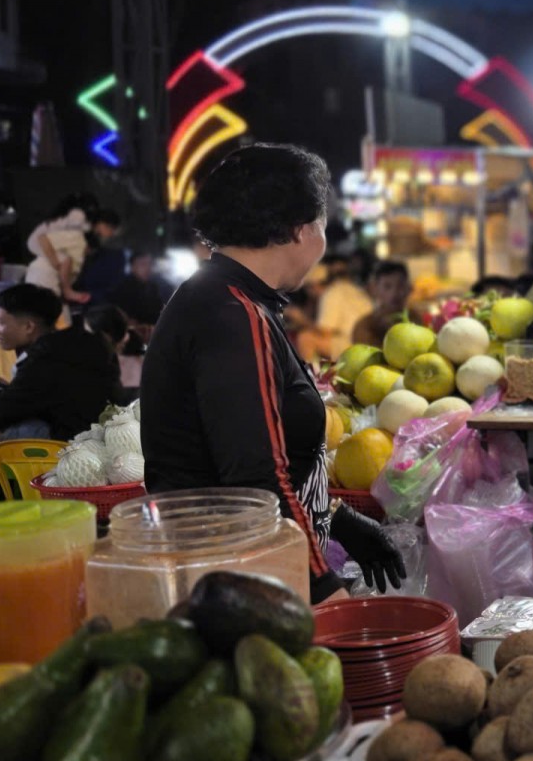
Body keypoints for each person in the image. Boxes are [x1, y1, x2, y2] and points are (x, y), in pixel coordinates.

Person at [141, 143, 405, 600]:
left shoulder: (227, 298)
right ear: (302, 230)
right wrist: (324, 591)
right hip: (237, 586)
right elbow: (257, 480)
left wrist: (337, 518)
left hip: (238, 569)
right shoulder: (233, 315)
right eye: (323, 224)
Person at [0, 283, 119, 447]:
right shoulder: (74, 345)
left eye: (0, 322)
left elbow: (5, 408)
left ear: (28, 327)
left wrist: (3, 397)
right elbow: (33, 397)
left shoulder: (46, 358)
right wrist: (6, 391)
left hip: (65, 444)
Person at [24, 193, 97, 306]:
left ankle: (66, 290)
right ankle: (68, 291)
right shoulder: (78, 214)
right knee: (66, 260)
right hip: (39, 242)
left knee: (63, 261)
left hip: (35, 243)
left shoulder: (62, 215)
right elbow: (82, 228)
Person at [350, 260, 412, 348]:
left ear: (409, 288)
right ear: (375, 289)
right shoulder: (365, 326)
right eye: (387, 286)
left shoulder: (416, 320)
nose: (394, 293)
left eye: (400, 286)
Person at [111, 249, 172, 334]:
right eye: (143, 264)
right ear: (133, 267)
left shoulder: (152, 287)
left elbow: (158, 310)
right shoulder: (123, 288)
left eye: (149, 264)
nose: (147, 268)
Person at [75, 209, 127, 304]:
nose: (95, 231)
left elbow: (113, 285)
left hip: (95, 299)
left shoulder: (115, 254)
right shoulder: (90, 244)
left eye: (99, 229)